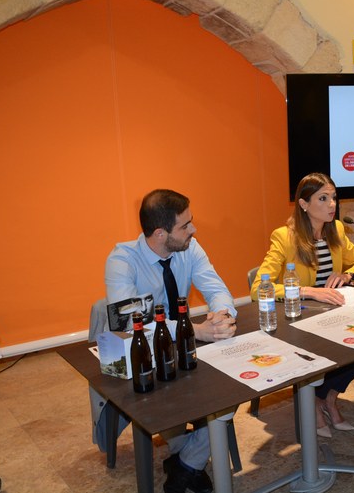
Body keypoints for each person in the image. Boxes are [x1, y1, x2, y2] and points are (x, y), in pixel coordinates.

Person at [105, 189, 237, 493]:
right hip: (144, 357)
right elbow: (130, 324)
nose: (194, 229)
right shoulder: (121, 260)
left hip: (186, 351)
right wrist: (194, 331)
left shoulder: (189, 247)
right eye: (185, 225)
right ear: (160, 234)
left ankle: (186, 464)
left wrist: (221, 315)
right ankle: (192, 462)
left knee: (234, 387)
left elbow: (217, 288)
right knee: (163, 400)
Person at [250, 172, 354, 438]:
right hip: (301, 318)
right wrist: (308, 291)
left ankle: (326, 399)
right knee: (336, 347)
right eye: (323, 198)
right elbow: (258, 288)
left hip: (335, 313)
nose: (332, 204)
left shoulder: (336, 229)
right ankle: (316, 402)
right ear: (304, 204)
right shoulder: (284, 237)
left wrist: (347, 276)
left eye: (334, 197)